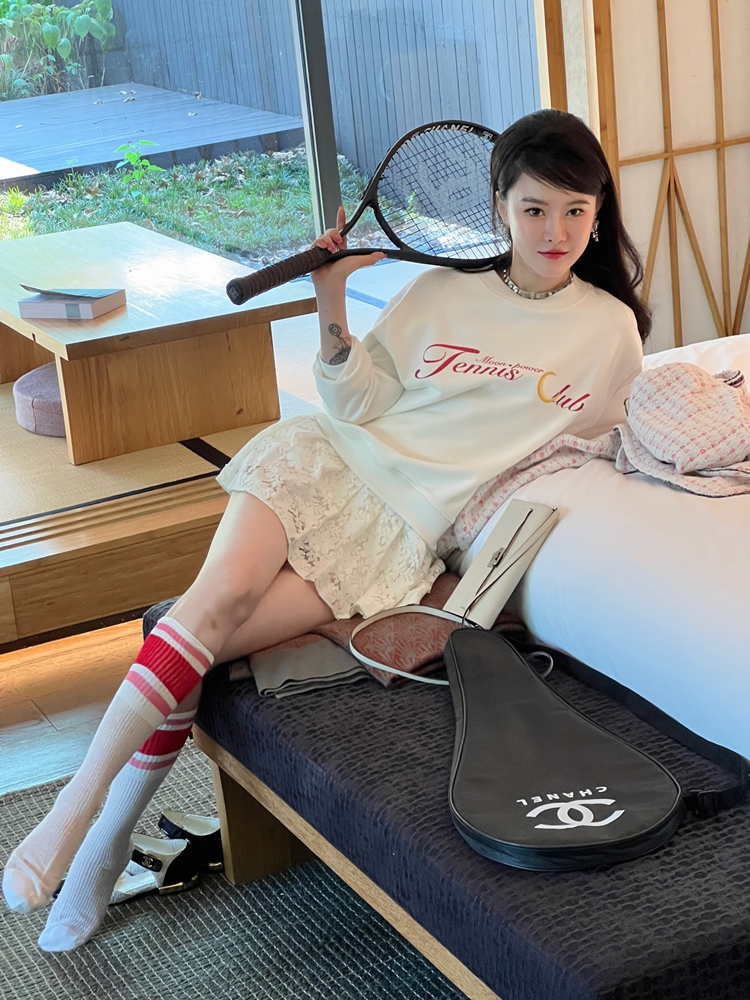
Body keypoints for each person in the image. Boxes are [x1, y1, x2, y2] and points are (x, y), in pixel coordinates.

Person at [2, 109, 650, 951]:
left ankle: (107, 845)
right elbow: (356, 402)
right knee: (214, 602)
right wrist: (330, 294)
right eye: (534, 209)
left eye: (574, 210)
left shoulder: (609, 330)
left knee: (198, 640)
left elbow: (608, 435)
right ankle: (76, 818)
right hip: (326, 462)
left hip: (397, 535)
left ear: (598, 212)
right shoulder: (443, 292)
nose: (555, 231)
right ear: (500, 207)